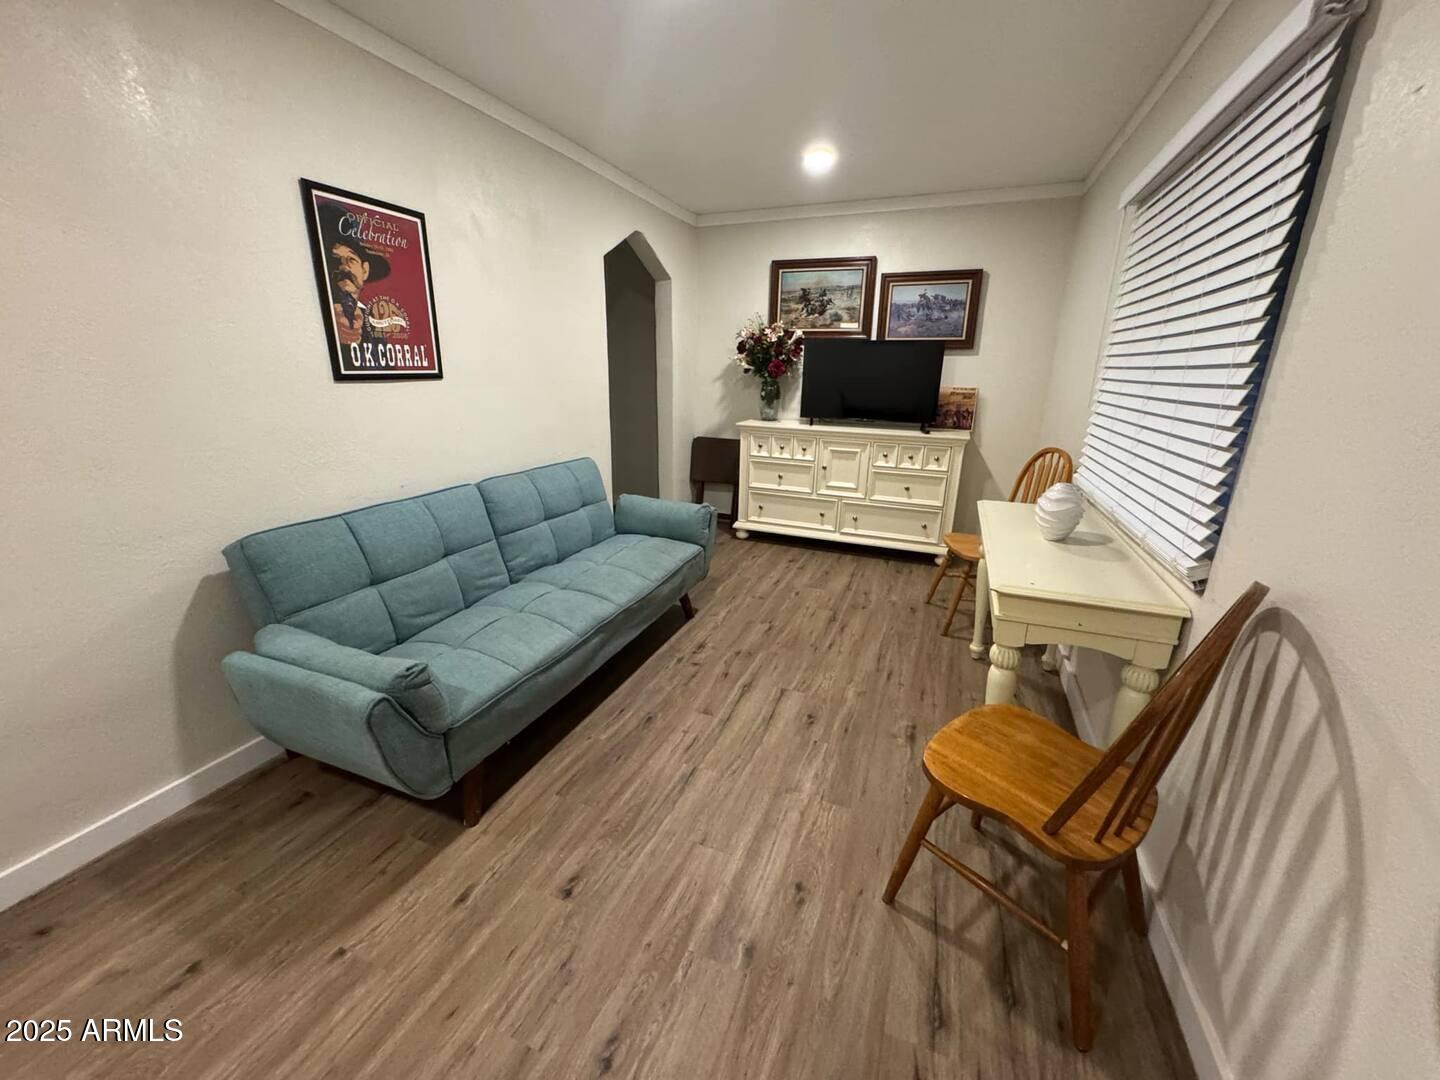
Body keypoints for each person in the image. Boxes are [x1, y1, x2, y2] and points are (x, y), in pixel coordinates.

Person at [315, 200, 391, 347]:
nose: (344, 268)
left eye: (351, 259)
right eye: (334, 259)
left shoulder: (374, 324)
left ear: (365, 270)